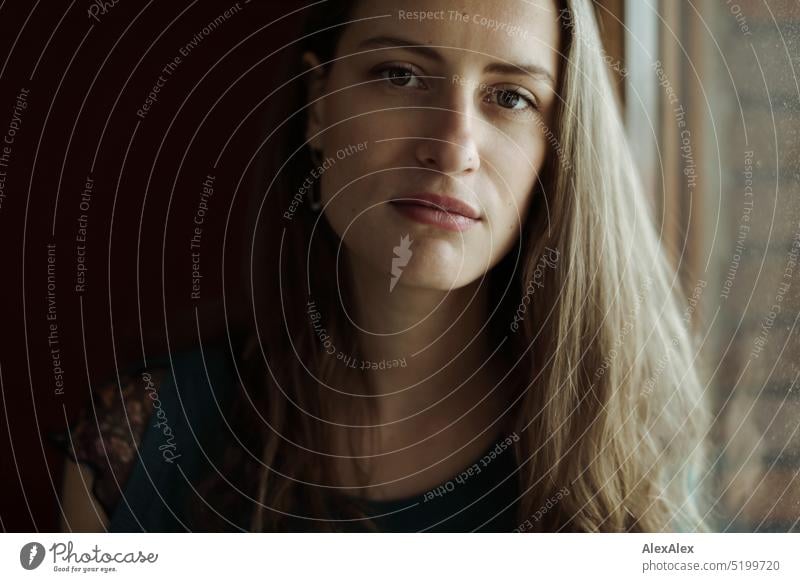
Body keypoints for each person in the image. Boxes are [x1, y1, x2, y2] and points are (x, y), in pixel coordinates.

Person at [52, 0, 709, 533]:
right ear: (319, 102)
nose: (453, 149)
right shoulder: (140, 443)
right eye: (400, 74)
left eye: (510, 98)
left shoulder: (628, 458)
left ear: (557, 145)